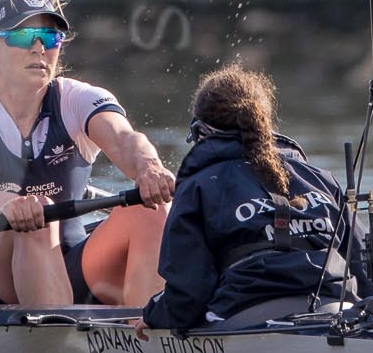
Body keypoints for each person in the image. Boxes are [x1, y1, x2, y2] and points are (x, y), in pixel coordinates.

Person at [0, 0, 174, 307]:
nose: (38, 47)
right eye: (22, 35)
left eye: (49, 36)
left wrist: (149, 167)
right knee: (40, 214)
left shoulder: (78, 98)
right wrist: (7, 203)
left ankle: (151, 337)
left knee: (154, 209)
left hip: (66, 266)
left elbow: (125, 139)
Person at [141, 67, 358, 331]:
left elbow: (188, 295)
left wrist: (153, 316)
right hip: (339, 313)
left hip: (245, 318)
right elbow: (365, 270)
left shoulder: (198, 187)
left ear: (201, 131)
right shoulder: (322, 179)